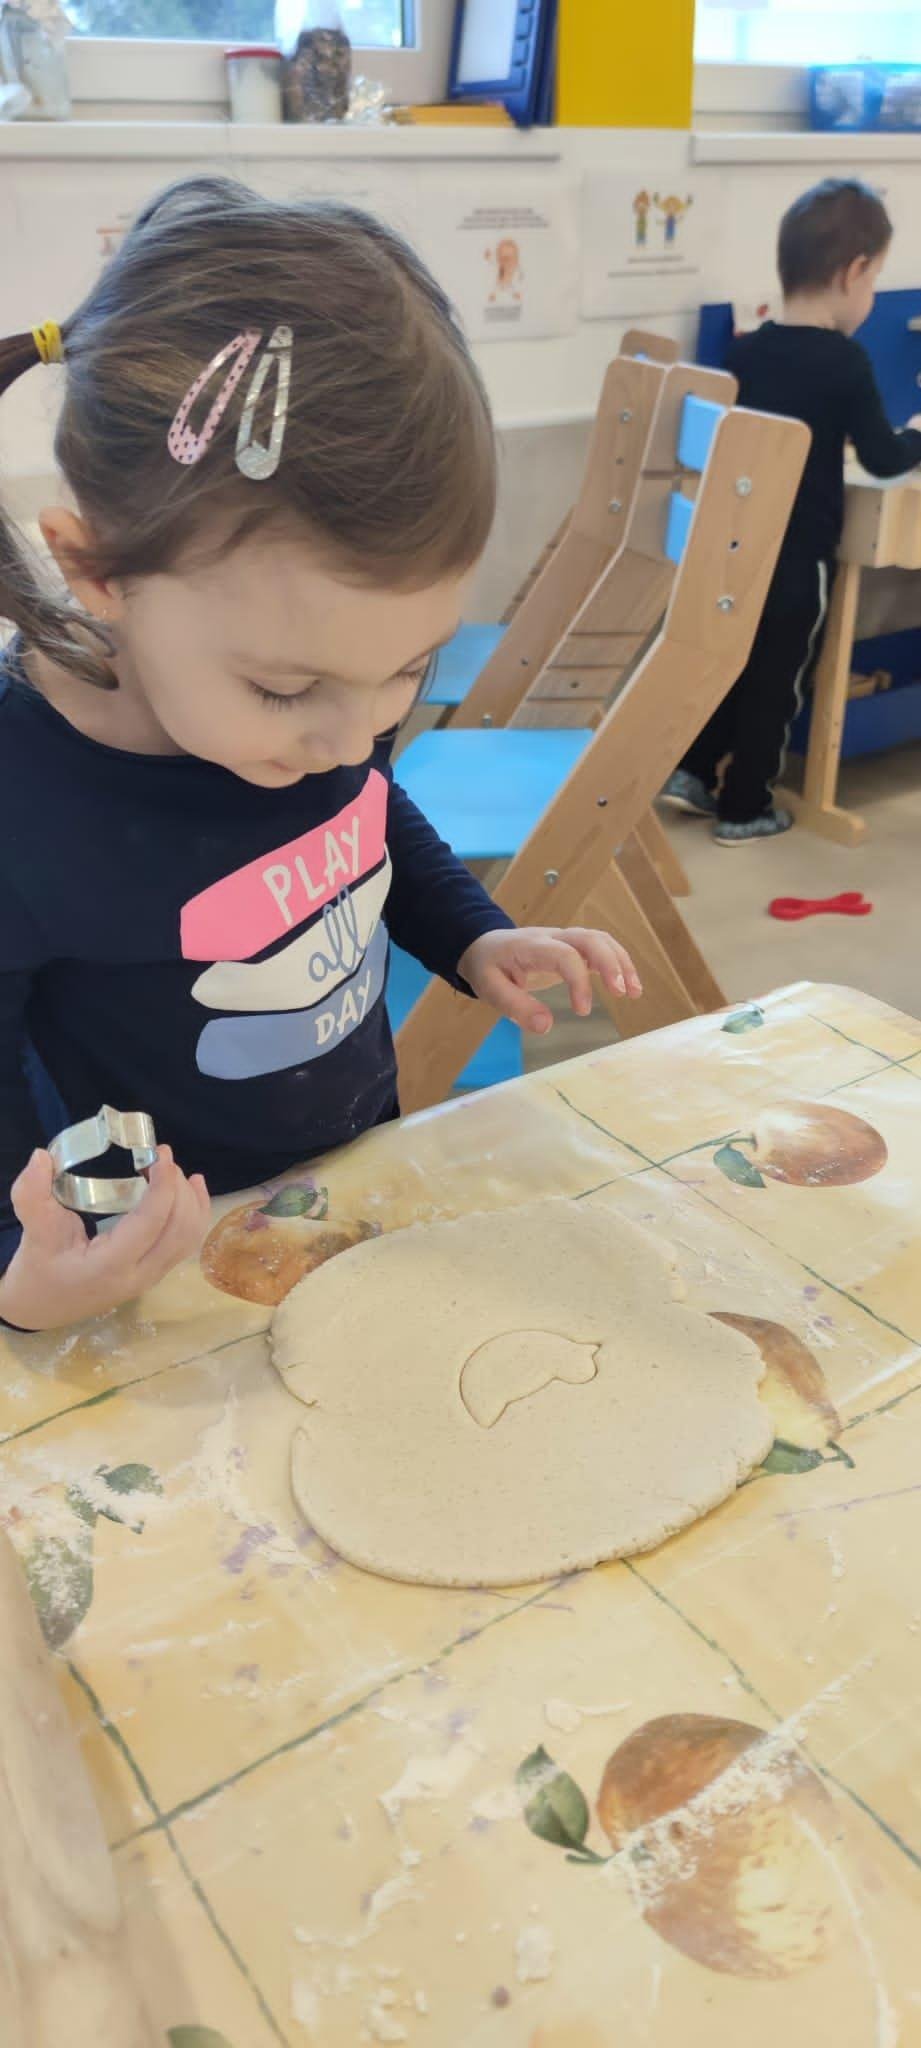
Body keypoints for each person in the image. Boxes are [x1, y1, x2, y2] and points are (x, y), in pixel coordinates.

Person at [0, 176, 641, 1334]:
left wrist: (471, 933)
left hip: (347, 1185)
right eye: (286, 690)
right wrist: (20, 1275)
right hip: (152, 1272)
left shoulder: (321, 710)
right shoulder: (24, 804)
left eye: (408, 668)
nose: (352, 737)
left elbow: (366, 814)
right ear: (98, 571)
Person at [662, 177, 921, 845]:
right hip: (799, 559)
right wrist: (918, 434)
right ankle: (745, 807)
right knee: (778, 685)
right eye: (874, 280)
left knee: (731, 666)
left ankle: (693, 772)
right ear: (853, 273)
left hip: (735, 549)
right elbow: (884, 459)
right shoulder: (846, 363)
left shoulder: (746, 350)